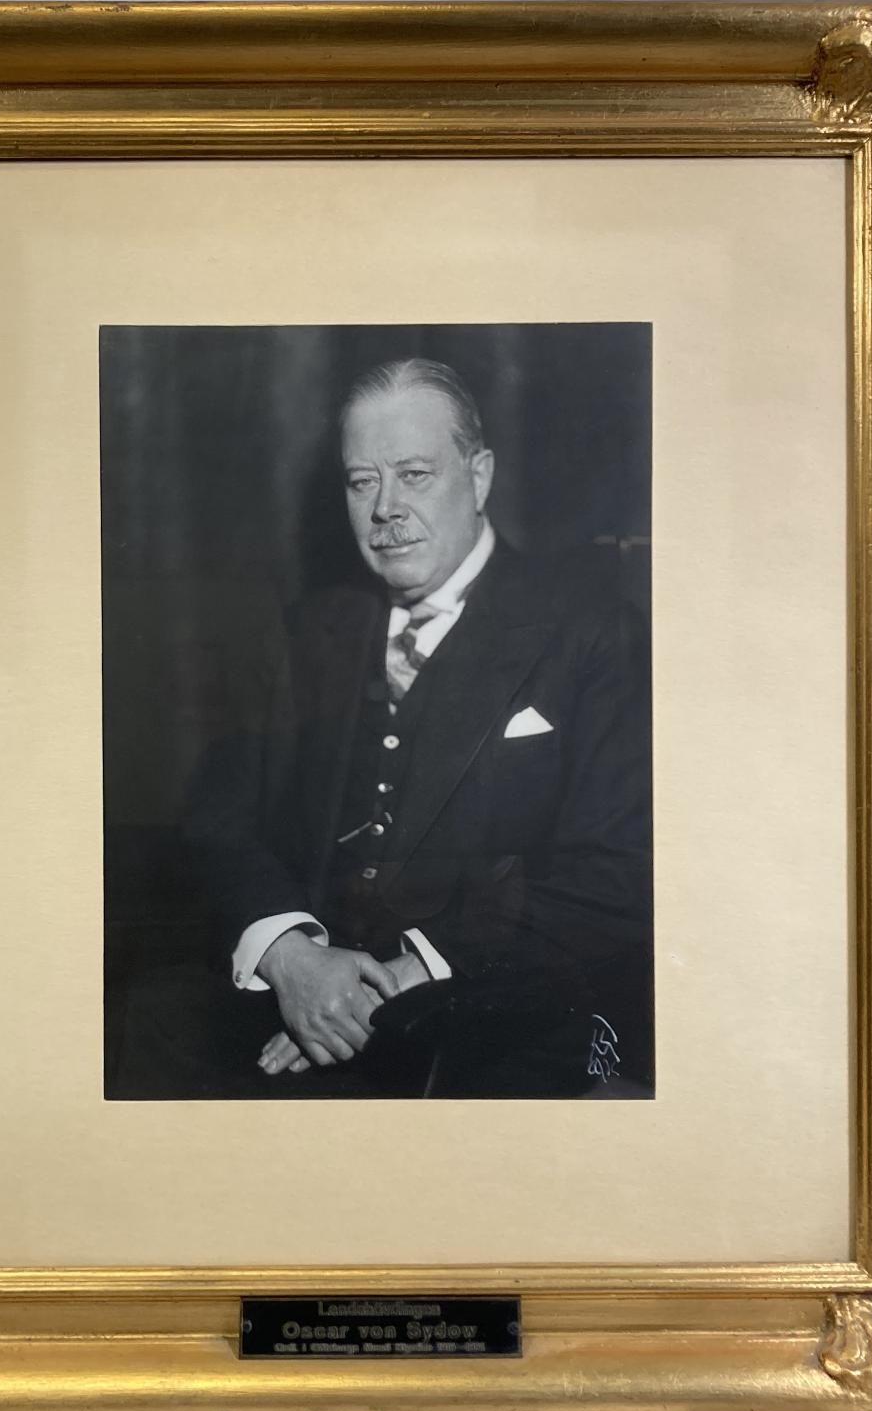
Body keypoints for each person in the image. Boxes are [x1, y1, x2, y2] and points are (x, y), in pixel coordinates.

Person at [167, 357, 654, 1099]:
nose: (385, 508)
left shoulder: (593, 631)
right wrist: (291, 955)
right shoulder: (310, 628)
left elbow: (617, 872)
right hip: (294, 1017)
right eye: (362, 481)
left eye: (415, 475)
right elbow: (218, 819)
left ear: (479, 477)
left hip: (500, 1032)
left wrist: (398, 980)